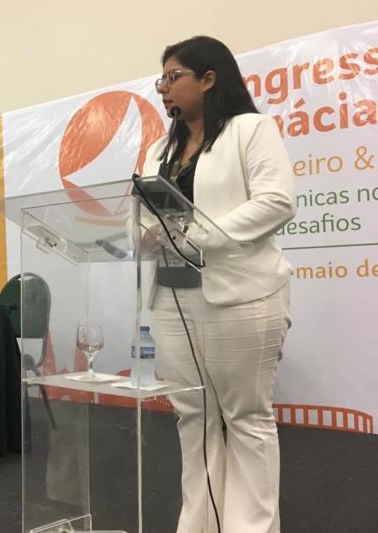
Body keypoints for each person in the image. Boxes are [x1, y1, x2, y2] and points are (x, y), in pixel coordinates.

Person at [141, 36, 295, 533]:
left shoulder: (251, 130)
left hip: (240, 295)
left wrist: (199, 235)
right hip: (171, 297)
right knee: (194, 417)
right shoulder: (159, 148)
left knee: (246, 419)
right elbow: (142, 216)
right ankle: (200, 525)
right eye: (160, 78)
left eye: (172, 76)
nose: (163, 87)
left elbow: (276, 202)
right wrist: (143, 235)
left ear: (209, 79)